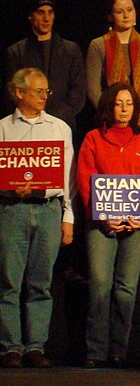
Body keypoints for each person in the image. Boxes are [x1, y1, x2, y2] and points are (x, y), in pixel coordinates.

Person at [77, 82, 140, 368]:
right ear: (108, 106)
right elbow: (85, 181)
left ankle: (118, 350)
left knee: (126, 288)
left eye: (129, 104)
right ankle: (95, 351)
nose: (124, 109)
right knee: (101, 286)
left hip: (135, 226)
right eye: (118, 103)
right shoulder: (93, 138)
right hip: (102, 225)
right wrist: (103, 217)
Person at [0, 68, 74, 368]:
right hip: (11, 210)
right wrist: (8, 186)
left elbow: (69, 179)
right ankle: (10, 348)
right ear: (19, 93)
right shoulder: (3, 129)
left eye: (47, 91)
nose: (45, 96)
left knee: (41, 283)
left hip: (48, 210)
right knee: (8, 282)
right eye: (38, 91)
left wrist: (68, 217)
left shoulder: (59, 128)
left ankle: (35, 347)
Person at [4, 0, 86, 135]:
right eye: (41, 12)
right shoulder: (16, 52)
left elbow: (78, 92)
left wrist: (55, 118)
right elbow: (13, 92)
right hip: (26, 126)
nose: (46, 18)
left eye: (50, 12)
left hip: (62, 125)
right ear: (30, 16)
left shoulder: (70, 50)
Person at [86, 0, 140, 136]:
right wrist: (114, 116)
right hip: (110, 124)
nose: (126, 15)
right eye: (119, 11)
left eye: (130, 10)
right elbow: (93, 90)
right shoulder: (98, 45)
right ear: (110, 16)